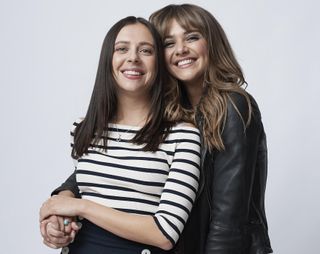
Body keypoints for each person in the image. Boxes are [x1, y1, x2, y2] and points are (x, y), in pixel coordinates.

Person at [40, 4, 273, 254]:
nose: (181, 49)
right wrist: (64, 197)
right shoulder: (171, 111)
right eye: (168, 43)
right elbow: (116, 164)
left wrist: (79, 207)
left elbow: (228, 220)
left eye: (192, 37)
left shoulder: (232, 107)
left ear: (212, 43)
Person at [39, 15, 201, 254]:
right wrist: (59, 222)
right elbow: (84, 188)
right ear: (108, 59)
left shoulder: (183, 136)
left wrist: (81, 207)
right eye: (122, 48)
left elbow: (165, 233)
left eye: (145, 51)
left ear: (159, 64)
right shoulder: (84, 128)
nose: (133, 58)